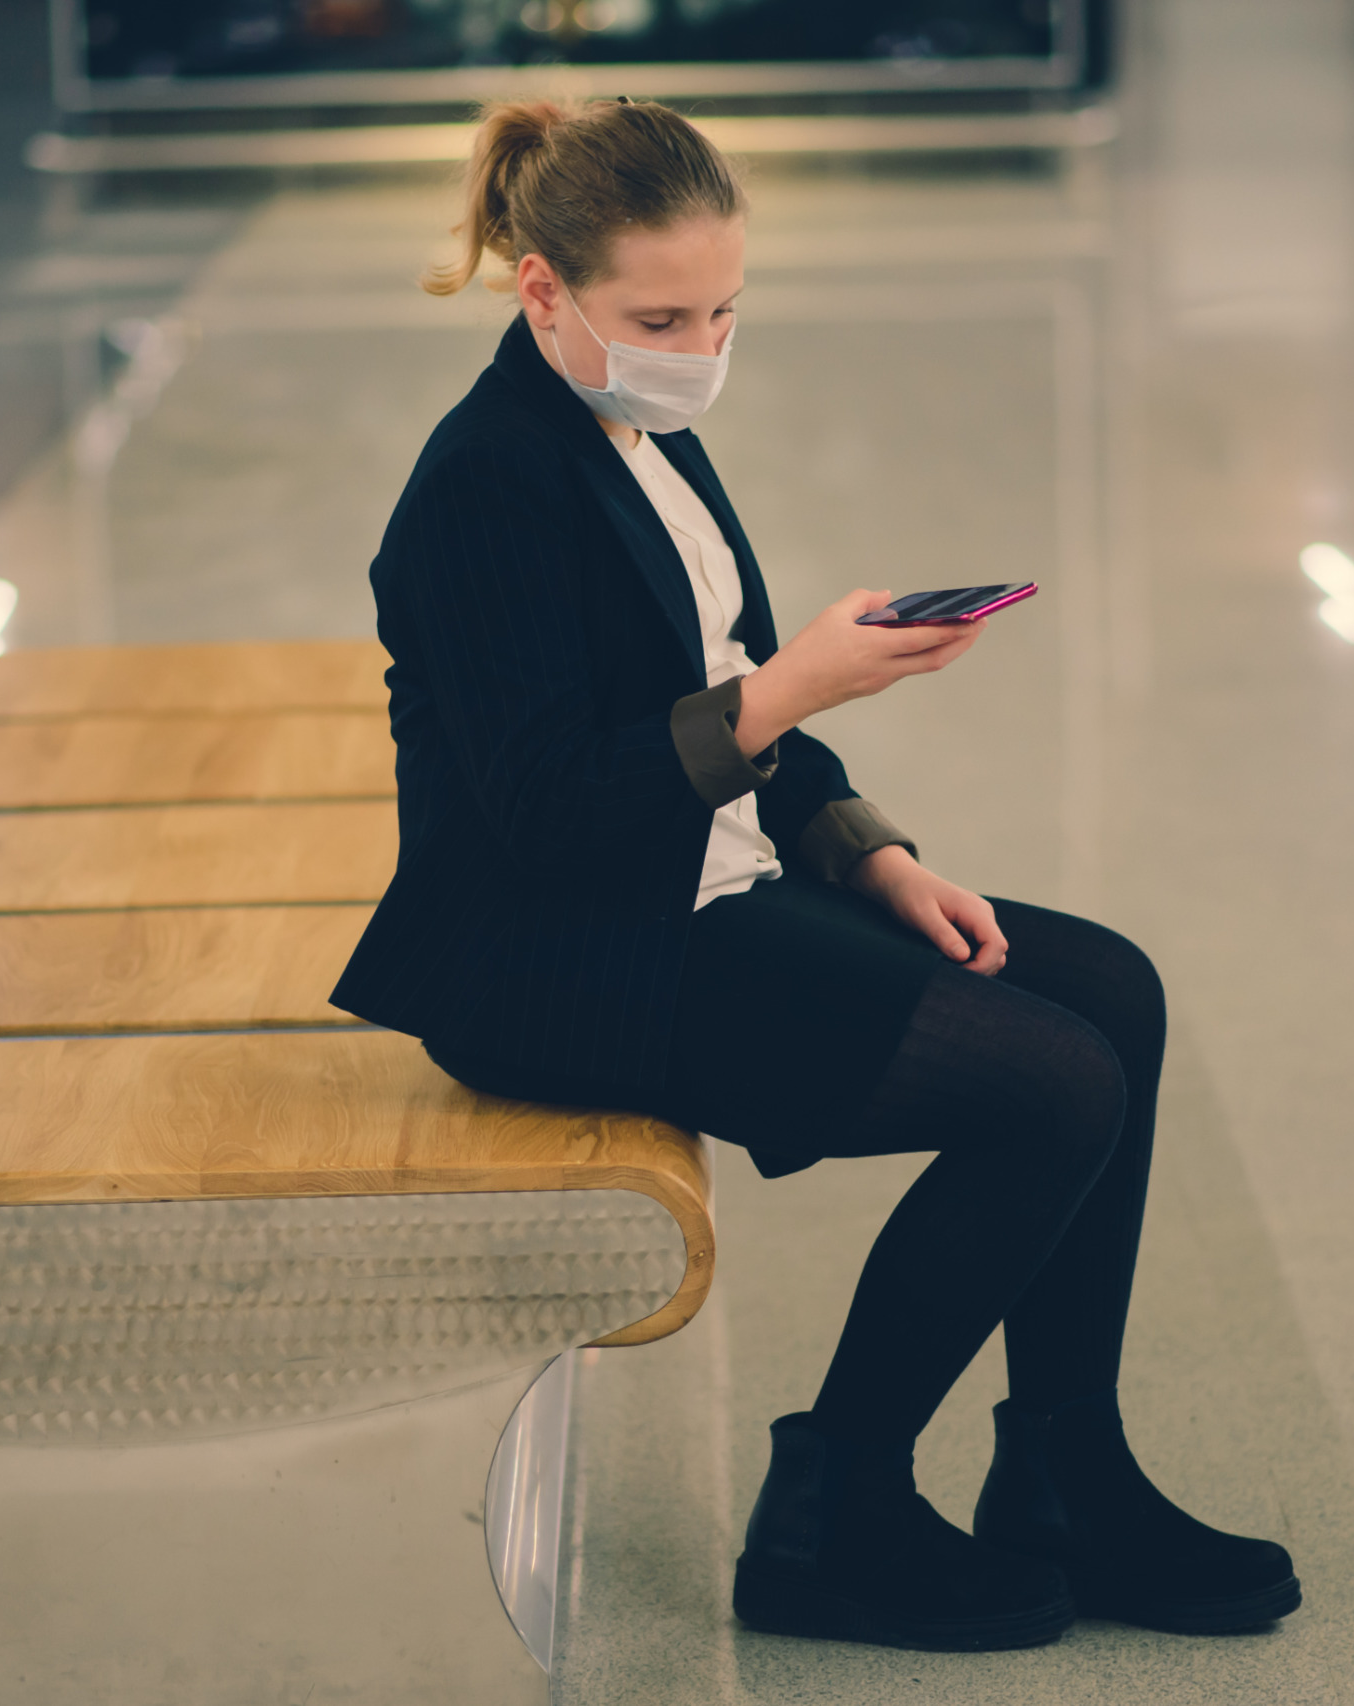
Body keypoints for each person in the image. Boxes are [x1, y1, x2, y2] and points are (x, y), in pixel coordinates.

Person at [330, 96, 1301, 1654]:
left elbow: (721, 689)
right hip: (562, 951)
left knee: (1111, 987)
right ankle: (834, 1508)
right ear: (541, 292)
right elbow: (557, 817)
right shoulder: (484, 486)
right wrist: (798, 689)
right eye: (659, 316)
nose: (699, 344)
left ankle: (1066, 1473)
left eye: (723, 309)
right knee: (1053, 1085)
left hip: (697, 887)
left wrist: (874, 853)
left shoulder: (645, 432)